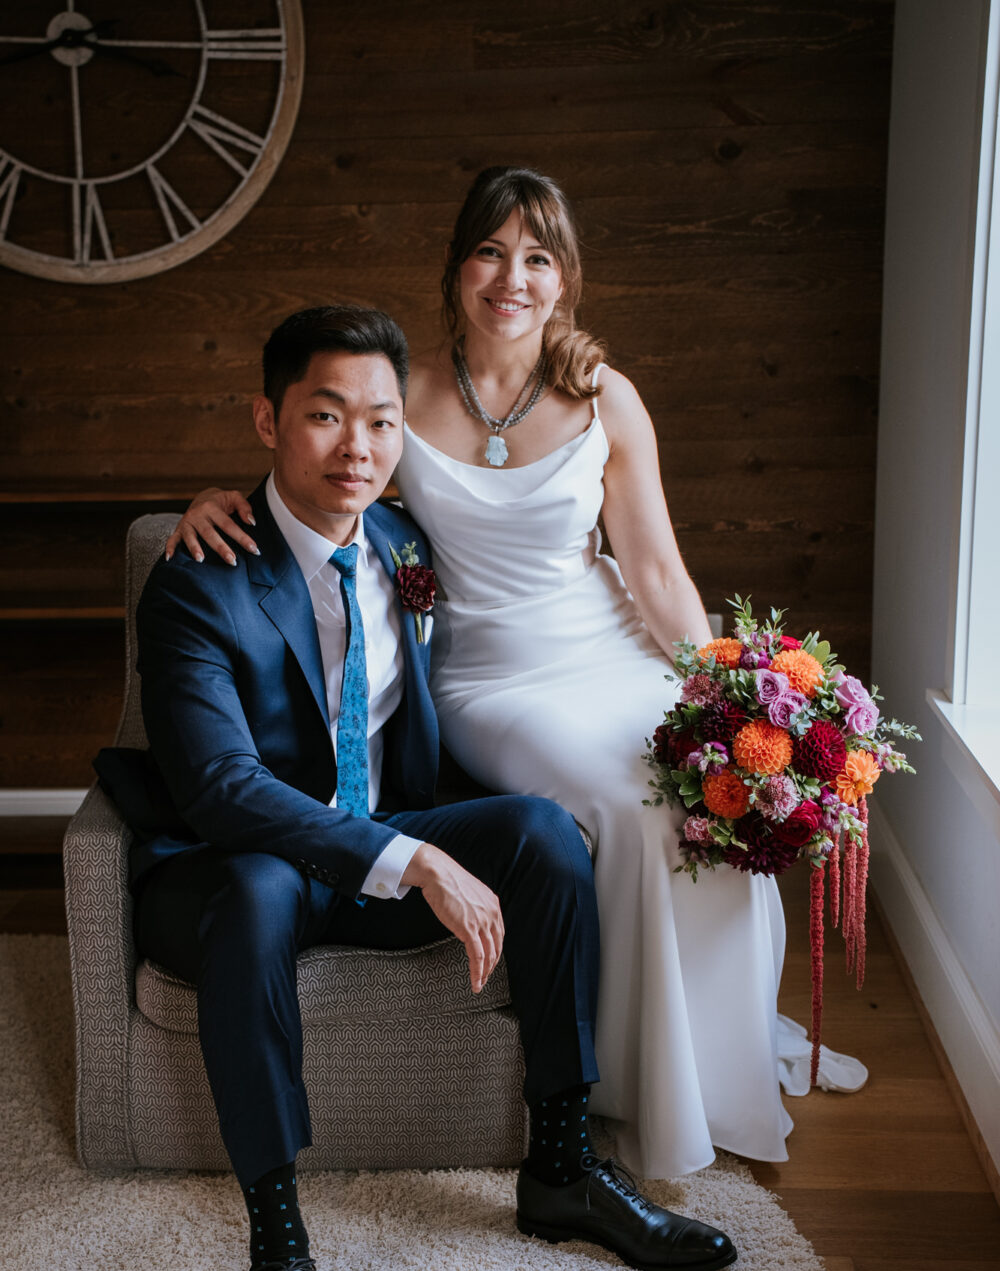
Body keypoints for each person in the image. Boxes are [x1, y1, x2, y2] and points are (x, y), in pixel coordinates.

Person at [96, 305, 737, 1271]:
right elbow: (222, 793)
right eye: (325, 415)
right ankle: (279, 1254)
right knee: (250, 888)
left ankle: (562, 1164)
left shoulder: (402, 546)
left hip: (382, 837)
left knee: (541, 834)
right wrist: (411, 860)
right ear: (268, 419)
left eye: (380, 421)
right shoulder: (200, 578)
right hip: (251, 862)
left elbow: (550, 583)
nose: (357, 446)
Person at [167, 167, 866, 1182]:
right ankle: (625, 1082)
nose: (513, 277)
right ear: (456, 271)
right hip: (489, 676)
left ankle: (715, 1063)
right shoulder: (403, 398)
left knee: (698, 786)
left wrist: (719, 691)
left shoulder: (606, 396)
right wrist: (204, 498)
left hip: (608, 646)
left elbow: (659, 570)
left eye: (537, 257)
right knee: (623, 805)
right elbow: (320, 476)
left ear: (565, 279)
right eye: (492, 252)